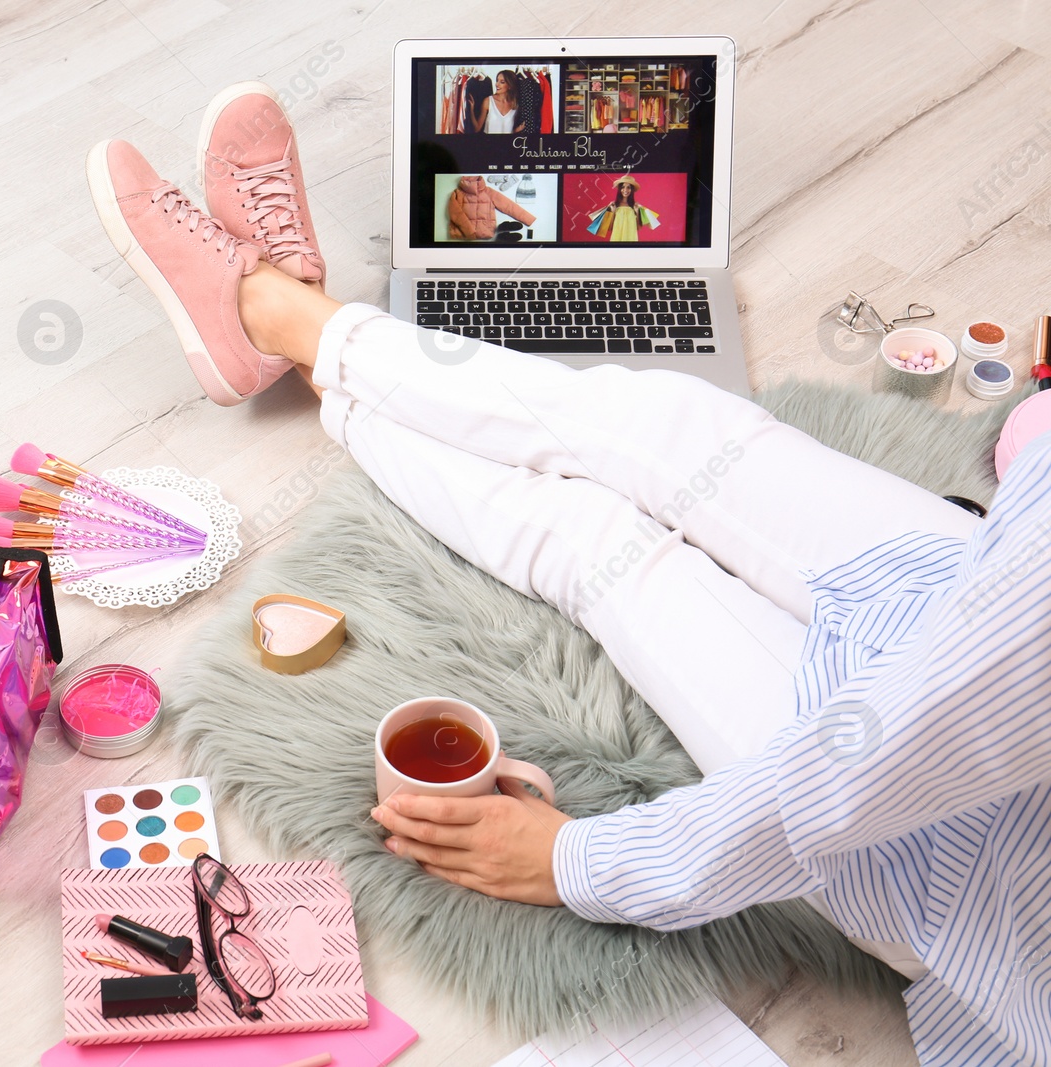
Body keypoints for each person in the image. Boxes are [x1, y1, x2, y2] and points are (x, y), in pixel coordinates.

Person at [84, 82, 1051, 1067]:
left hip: (959, 850)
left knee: (597, 545)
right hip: (981, 588)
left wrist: (576, 859)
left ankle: (269, 314)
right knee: (679, 424)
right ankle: (295, 324)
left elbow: (859, 774)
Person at [587, 174, 660, 241]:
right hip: (616, 238)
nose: (625, 190)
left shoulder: (635, 206)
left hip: (631, 238)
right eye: (623, 187)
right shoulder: (614, 205)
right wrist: (613, 211)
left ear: (632, 190)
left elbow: (638, 228)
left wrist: (637, 212)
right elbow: (611, 227)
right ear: (620, 189)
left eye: (628, 187)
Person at [482, 69, 520, 134]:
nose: (497, 84)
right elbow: (477, 129)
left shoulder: (516, 104)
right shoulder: (488, 101)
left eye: (502, 82)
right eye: (497, 81)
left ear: (510, 86)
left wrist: (517, 130)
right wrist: (470, 110)